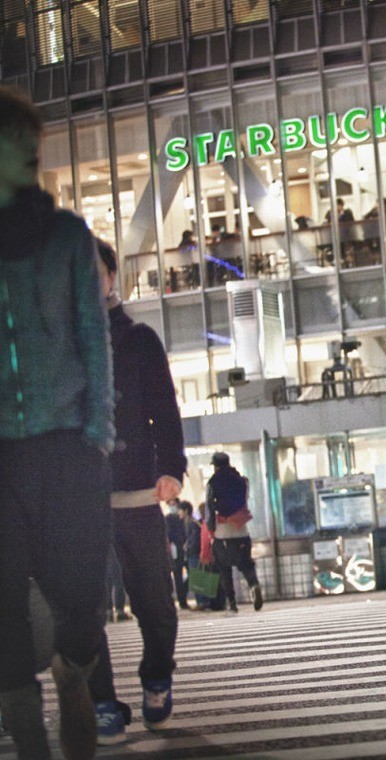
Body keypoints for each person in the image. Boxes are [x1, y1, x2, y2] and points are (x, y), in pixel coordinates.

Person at [0, 84, 115, 760]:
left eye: (26, 152)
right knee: (1, 596)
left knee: (79, 593)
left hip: (68, 439)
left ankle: (74, 669)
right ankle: (27, 724)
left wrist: (99, 432)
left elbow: (93, 336)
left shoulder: (69, 237)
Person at [87, 239, 186, 744]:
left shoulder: (140, 339)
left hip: (137, 494)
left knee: (156, 604)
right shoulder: (53, 344)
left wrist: (171, 468)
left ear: (110, 278)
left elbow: (164, 413)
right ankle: (103, 701)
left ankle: (155, 680)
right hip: (77, 499)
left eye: (93, 270)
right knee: (82, 609)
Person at [204, 452, 264, 613]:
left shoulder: (212, 483)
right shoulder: (242, 481)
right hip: (241, 529)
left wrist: (210, 528)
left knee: (224, 569)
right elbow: (244, 501)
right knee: (246, 564)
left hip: (222, 531)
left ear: (215, 466)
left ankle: (232, 602)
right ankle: (254, 585)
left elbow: (209, 508)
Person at [165, 502, 189, 610]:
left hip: (176, 552)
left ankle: (181, 600)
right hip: (179, 551)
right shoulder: (178, 520)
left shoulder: (171, 520)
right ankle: (182, 600)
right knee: (179, 577)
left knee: (177, 577)